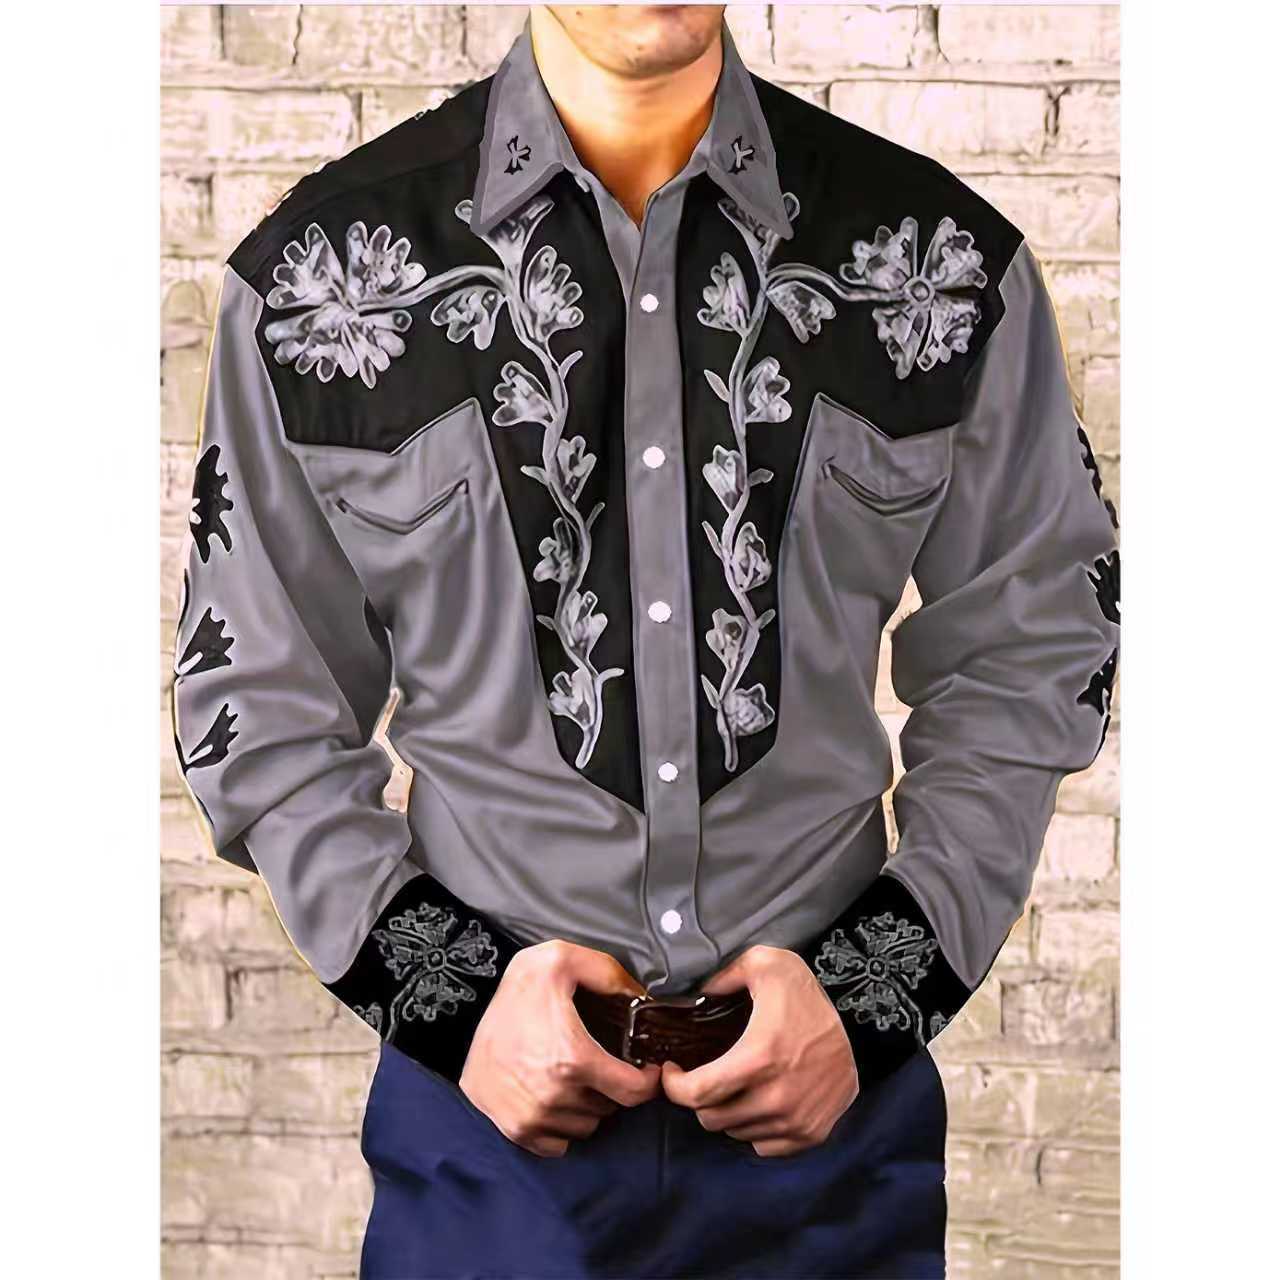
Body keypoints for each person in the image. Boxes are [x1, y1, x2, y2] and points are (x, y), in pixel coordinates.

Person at [173, 5, 1120, 1276]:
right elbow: (256, 702)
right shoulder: (313, 282)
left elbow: (1032, 643)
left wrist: (874, 993)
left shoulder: (938, 264)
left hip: (838, 1146)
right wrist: (455, 1007)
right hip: (483, 1158)